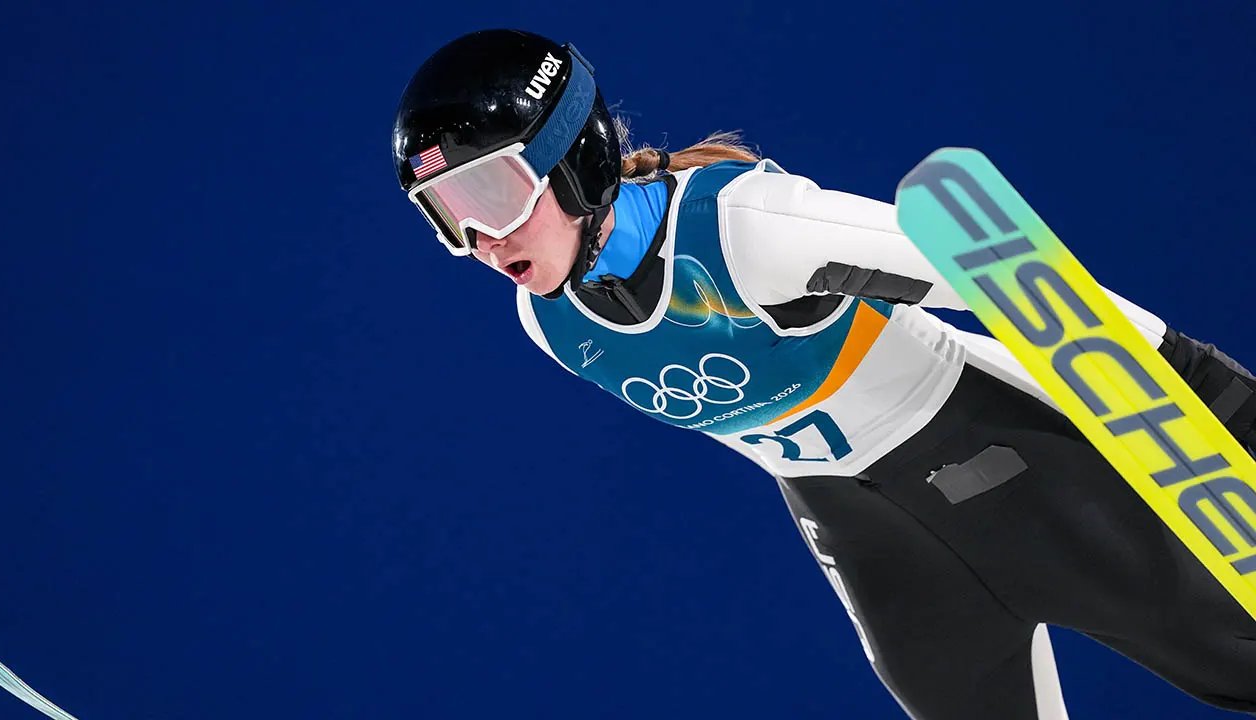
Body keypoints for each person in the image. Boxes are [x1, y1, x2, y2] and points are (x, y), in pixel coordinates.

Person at [391, 29, 1256, 719]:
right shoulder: (550, 323)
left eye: (492, 196)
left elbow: (997, 263)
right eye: (447, 215)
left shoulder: (748, 228)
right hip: (876, 552)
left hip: (1013, 470)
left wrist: (1219, 397)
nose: (482, 240)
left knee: (1235, 667)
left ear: (573, 156)